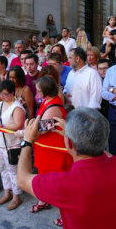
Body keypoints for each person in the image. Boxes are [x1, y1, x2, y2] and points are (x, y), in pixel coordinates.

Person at [17, 107, 116, 229]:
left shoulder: (64, 184)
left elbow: (22, 180)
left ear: (69, 143)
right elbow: (105, 154)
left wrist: (27, 142)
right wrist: (80, 138)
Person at [29, 76, 73, 219]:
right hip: (45, 148)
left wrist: (25, 133)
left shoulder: (53, 106)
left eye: (39, 91)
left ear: (46, 91)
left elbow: (44, 129)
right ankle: (44, 200)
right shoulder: (47, 100)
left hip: (54, 150)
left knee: (58, 183)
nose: (37, 93)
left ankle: (66, 212)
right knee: (45, 177)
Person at [0, 80, 25, 211]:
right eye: (1, 93)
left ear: (12, 93)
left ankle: (16, 196)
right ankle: (7, 193)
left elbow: (18, 125)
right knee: (3, 168)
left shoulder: (17, 107)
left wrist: (2, 126)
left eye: (5, 94)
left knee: (13, 171)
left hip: (12, 144)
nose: (3, 96)